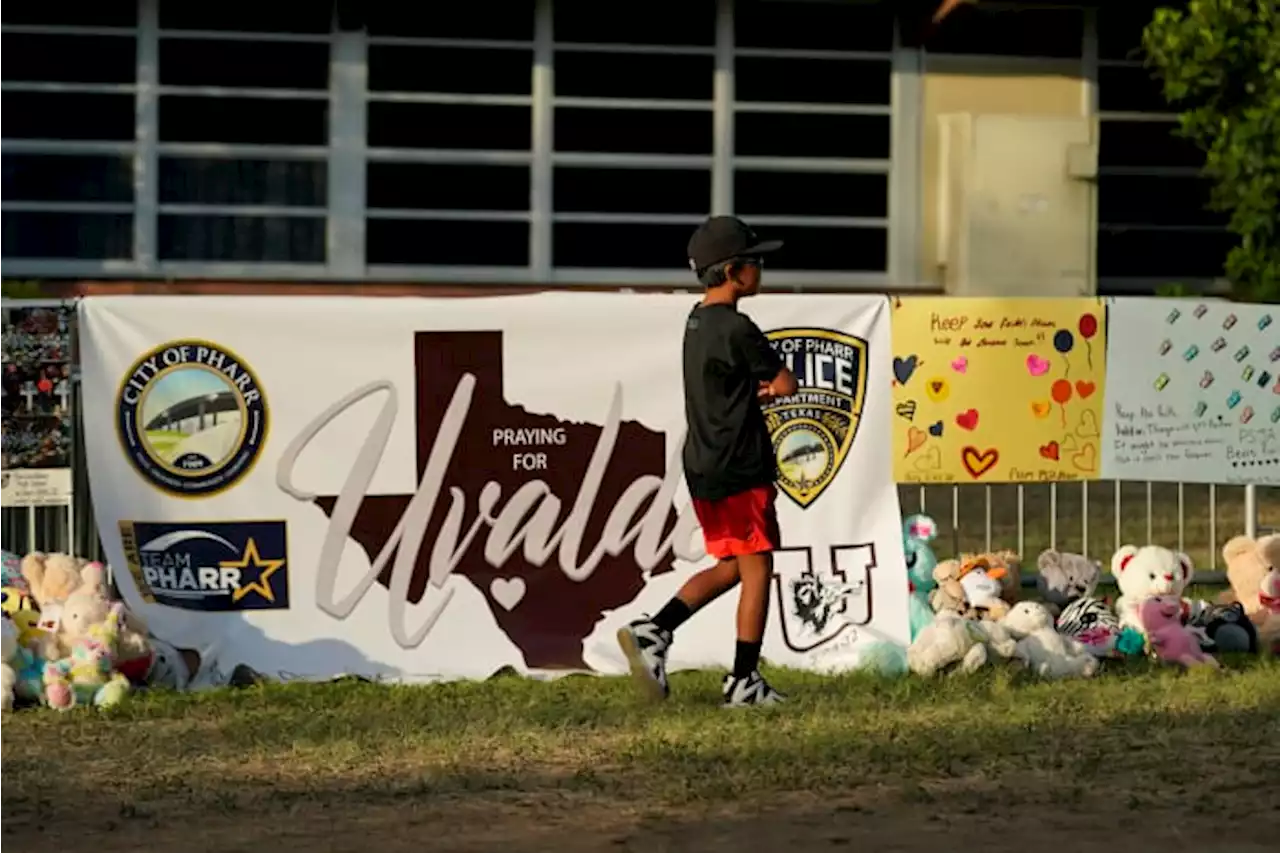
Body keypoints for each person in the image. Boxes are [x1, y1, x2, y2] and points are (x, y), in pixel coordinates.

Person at [617, 215, 797, 708]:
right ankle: (744, 679)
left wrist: (749, 393)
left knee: (734, 565)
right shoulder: (739, 327)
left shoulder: (696, 321)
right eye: (755, 262)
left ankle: (654, 631)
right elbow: (785, 384)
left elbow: (724, 390)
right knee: (758, 568)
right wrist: (766, 389)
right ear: (733, 270)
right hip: (740, 465)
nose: (761, 270)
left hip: (704, 464)